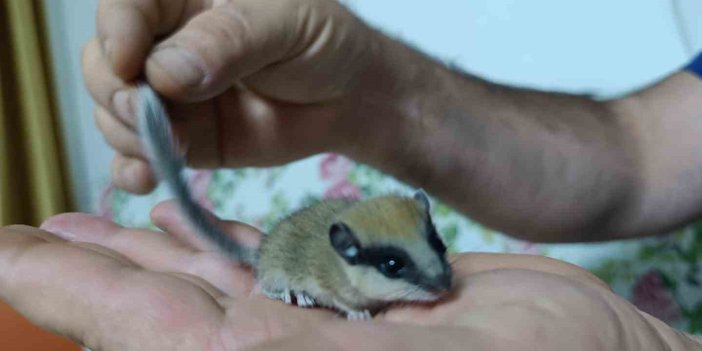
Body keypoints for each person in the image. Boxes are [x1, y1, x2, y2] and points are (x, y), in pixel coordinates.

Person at [1, 0, 701, 349]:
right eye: (404, 266)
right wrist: (376, 96)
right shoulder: (331, 262)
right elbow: (639, 158)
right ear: (350, 254)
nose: (439, 281)